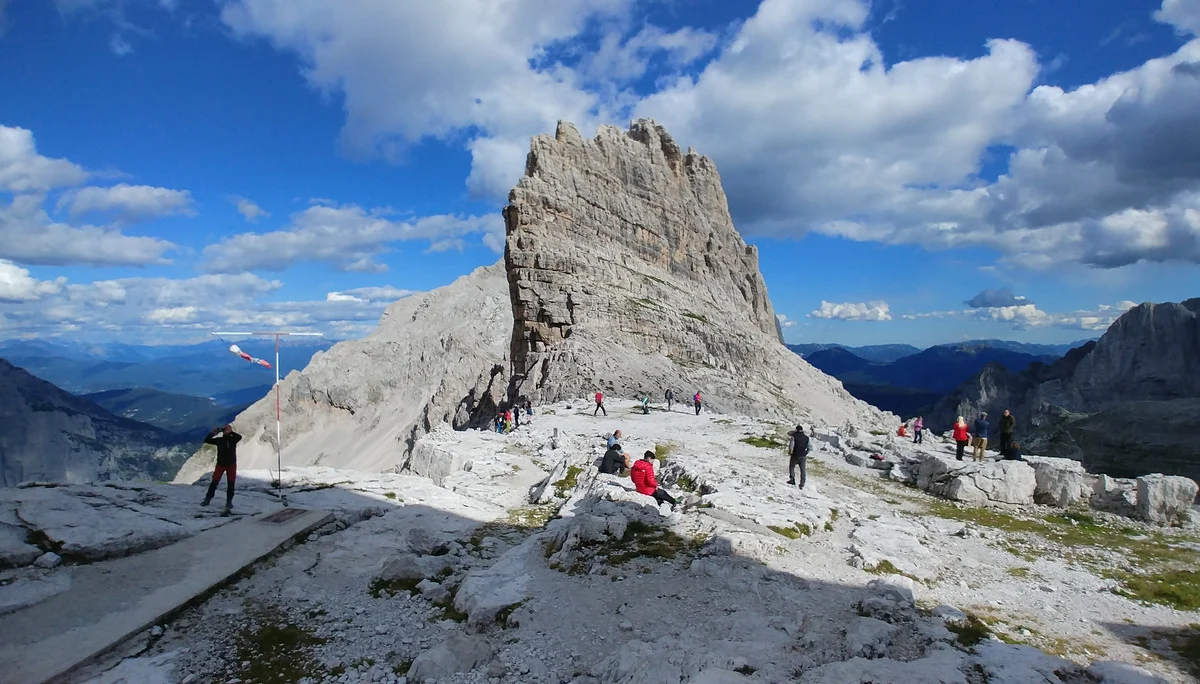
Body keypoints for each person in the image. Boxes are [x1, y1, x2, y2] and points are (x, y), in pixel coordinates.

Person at [203, 424, 241, 513]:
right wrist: (212, 433)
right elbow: (207, 440)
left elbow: (239, 437)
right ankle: (207, 499)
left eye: (227, 428)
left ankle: (229, 502)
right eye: (225, 429)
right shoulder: (219, 440)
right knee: (214, 482)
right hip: (221, 464)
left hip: (231, 465)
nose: (226, 430)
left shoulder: (233, 439)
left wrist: (231, 432)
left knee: (231, 483)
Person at [786, 425, 811, 489]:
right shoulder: (806, 437)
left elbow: (791, 446)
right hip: (803, 455)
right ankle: (802, 484)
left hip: (795, 455)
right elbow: (809, 447)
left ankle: (792, 480)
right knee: (803, 470)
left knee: (792, 467)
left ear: (796, 430)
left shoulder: (794, 436)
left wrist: (790, 452)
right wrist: (806, 453)